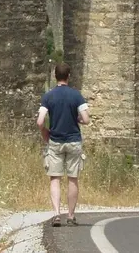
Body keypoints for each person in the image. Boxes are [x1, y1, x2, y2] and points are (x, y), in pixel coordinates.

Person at [36, 62, 90, 227]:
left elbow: (40, 121)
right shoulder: (76, 96)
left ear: (55, 76)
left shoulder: (48, 96)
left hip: (55, 141)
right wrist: (78, 119)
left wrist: (45, 132)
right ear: (69, 76)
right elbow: (86, 119)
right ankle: (71, 215)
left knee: (55, 178)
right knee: (73, 178)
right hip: (73, 141)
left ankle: (56, 214)